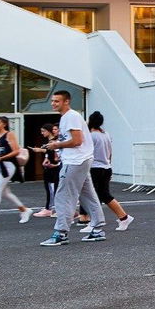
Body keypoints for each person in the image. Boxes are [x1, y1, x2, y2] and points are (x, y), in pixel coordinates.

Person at [39, 91, 105, 246]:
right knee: (87, 195)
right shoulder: (67, 117)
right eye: (53, 101)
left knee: (62, 196)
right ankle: (97, 229)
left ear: (66, 101)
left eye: (57, 101)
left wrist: (56, 145)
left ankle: (61, 233)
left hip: (75, 161)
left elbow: (77, 140)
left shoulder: (70, 116)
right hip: (80, 160)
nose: (53, 103)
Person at [83, 111, 134, 233]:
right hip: (106, 167)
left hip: (94, 168)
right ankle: (123, 217)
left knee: (93, 196)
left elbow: (86, 152)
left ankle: (95, 222)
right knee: (104, 195)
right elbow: (110, 153)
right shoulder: (106, 134)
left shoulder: (91, 136)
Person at [30, 123, 61, 218]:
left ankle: (51, 208)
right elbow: (48, 154)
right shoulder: (50, 141)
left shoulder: (57, 142)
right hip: (49, 168)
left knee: (54, 189)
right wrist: (46, 160)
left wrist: (55, 164)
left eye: (43, 131)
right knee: (50, 188)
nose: (42, 133)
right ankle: (50, 208)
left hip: (55, 169)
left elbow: (58, 156)